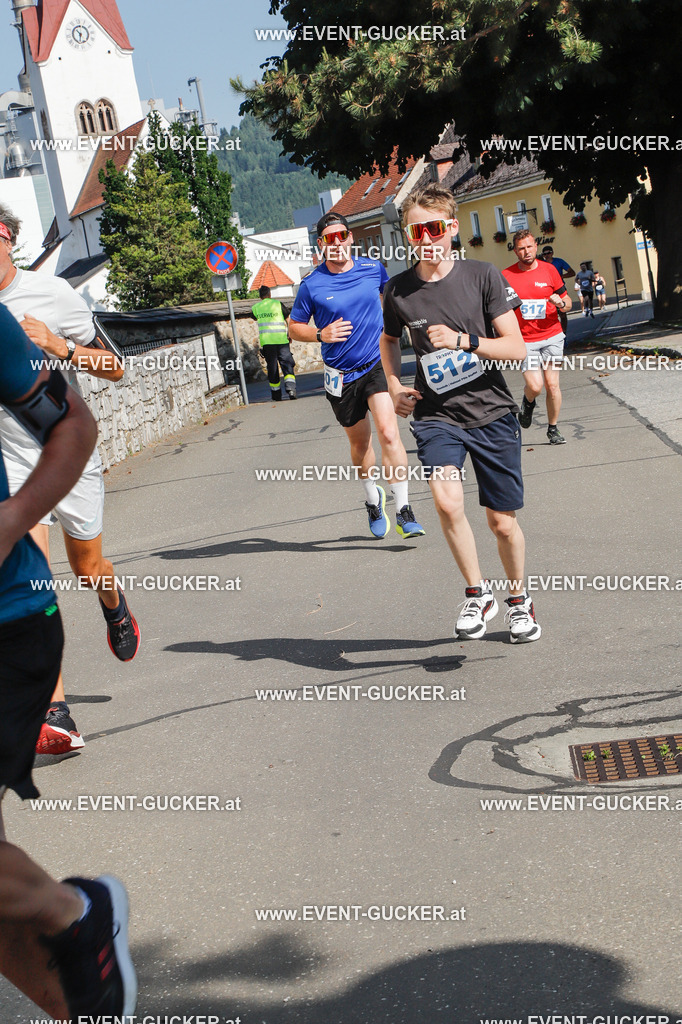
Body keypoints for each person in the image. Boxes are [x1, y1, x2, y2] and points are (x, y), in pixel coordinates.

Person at [0, 303, 136, 1019]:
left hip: (8, 606)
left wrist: (8, 521)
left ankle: (74, 910)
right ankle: (86, 994)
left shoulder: (31, 304)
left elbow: (87, 404)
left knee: (86, 566)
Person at [0, 206, 140, 757]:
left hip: (69, 453)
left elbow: (117, 365)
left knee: (86, 568)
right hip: (11, 468)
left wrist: (62, 349)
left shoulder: (52, 294)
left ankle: (113, 600)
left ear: (9, 238)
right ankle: (53, 709)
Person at [380, 184, 541, 643]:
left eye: (433, 227)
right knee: (448, 501)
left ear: (451, 228)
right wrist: (394, 386)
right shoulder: (397, 290)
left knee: (501, 522)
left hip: (491, 411)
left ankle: (518, 601)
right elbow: (388, 341)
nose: (425, 238)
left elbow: (515, 348)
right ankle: (477, 592)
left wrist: (464, 340)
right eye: (415, 231)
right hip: (436, 415)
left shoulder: (483, 276)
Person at [288, 212, 425, 540]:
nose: (337, 243)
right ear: (321, 245)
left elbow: (389, 302)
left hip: (375, 365)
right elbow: (293, 327)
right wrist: (321, 334)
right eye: (329, 238)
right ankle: (372, 499)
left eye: (342, 236)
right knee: (361, 443)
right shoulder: (312, 284)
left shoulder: (372, 268)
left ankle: (404, 509)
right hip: (341, 376)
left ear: (351, 238)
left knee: (390, 434)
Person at [503, 229, 571, 445]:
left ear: (536, 247)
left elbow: (567, 302)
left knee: (552, 384)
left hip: (552, 334)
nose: (527, 252)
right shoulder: (506, 276)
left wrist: (560, 303)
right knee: (535, 386)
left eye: (530, 247)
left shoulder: (550, 270)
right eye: (521, 248)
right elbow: (497, 307)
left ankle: (553, 429)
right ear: (515, 251)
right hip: (525, 339)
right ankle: (528, 402)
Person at [250, 285, 297, 400]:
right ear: (270, 294)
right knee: (287, 364)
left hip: (267, 343)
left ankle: (276, 395)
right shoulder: (278, 304)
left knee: (272, 368)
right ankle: (291, 389)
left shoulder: (256, 307)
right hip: (281, 340)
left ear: (260, 296)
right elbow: (287, 319)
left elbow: (254, 318)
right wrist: (289, 333)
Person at [540, 246, 574, 335]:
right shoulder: (541, 264)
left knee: (563, 313)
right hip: (547, 290)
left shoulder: (559, 261)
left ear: (552, 253)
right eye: (545, 254)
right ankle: (552, 334)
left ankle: (564, 334)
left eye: (548, 253)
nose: (547, 255)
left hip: (559, 289)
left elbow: (572, 272)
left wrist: (560, 277)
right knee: (549, 314)